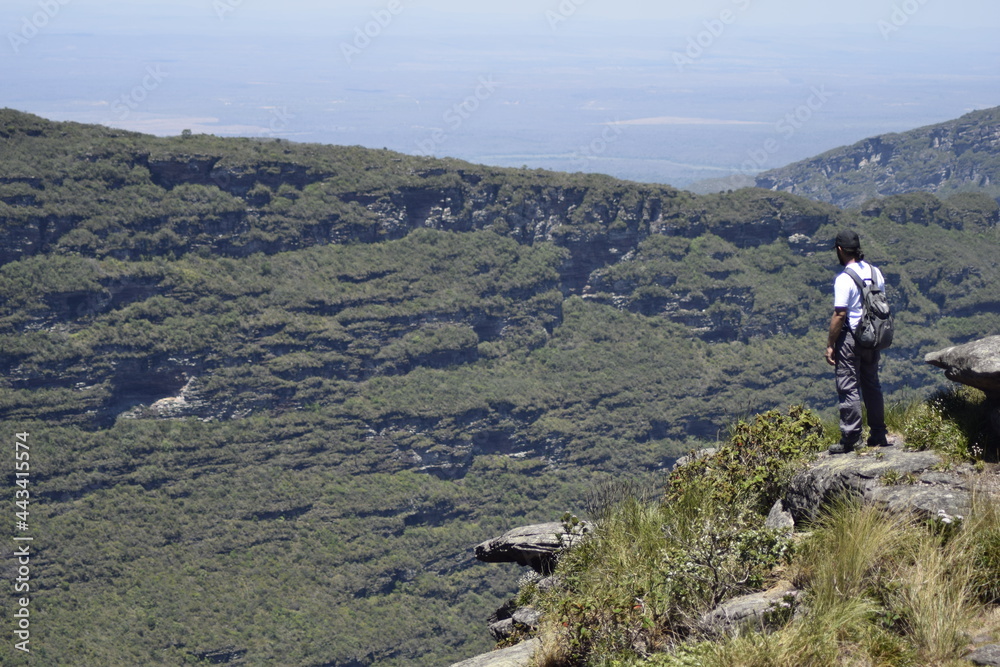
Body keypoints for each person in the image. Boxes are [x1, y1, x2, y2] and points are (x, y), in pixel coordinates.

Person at [824, 230, 888, 454]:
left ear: (840, 250)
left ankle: (851, 438)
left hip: (851, 338)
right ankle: (879, 434)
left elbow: (839, 315)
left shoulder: (844, 279)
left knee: (848, 387)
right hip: (873, 336)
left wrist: (831, 344)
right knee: (872, 384)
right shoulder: (875, 271)